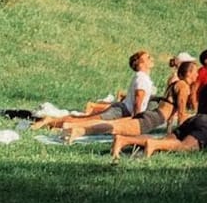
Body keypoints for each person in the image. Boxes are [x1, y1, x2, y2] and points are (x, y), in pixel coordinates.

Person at [60, 61, 198, 149]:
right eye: (196, 71)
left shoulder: (175, 83)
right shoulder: (184, 87)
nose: (197, 75)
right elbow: (180, 115)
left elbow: (171, 114)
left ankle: (72, 126)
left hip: (152, 115)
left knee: (115, 125)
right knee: (113, 127)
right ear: (189, 72)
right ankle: (77, 130)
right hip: (153, 119)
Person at [126, 58, 207, 158]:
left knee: (165, 140)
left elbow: (200, 110)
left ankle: (125, 140)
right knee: (186, 146)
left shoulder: (206, 88)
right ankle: (153, 145)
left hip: (195, 120)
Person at [32, 50, 156, 130]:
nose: (152, 59)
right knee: (88, 121)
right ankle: (50, 121)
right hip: (121, 112)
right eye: (148, 57)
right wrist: (136, 121)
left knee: (87, 120)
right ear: (139, 63)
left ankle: (53, 122)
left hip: (122, 109)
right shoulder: (142, 78)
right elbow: (138, 101)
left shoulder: (143, 78)